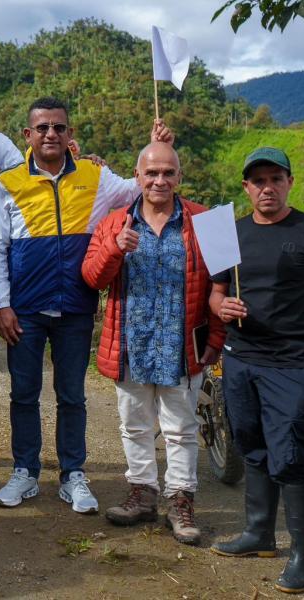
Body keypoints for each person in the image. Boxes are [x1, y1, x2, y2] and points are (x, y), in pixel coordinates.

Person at [0, 96, 171, 514]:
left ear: (70, 134)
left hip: (75, 307)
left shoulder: (96, 176)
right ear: (28, 135)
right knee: (23, 393)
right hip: (25, 310)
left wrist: (156, 146)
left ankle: (73, 474)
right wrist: (2, 305)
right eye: (43, 127)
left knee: (72, 395)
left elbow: (145, 186)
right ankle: (25, 472)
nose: (51, 134)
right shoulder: (6, 182)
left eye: (59, 127)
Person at [207, 148, 304, 594]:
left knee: (290, 456)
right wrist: (221, 306)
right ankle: (259, 534)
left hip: (290, 363)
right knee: (251, 444)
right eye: (257, 180)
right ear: (246, 187)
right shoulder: (227, 232)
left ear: (289, 182)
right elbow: (215, 292)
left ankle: (302, 555)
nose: (267, 187)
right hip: (241, 357)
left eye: (275, 179)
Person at [81, 141, 224, 544]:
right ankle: (142, 493)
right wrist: (114, 249)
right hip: (132, 343)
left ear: (179, 177)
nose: (159, 180)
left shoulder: (206, 221)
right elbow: (91, 277)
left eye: (168, 173)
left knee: (181, 428)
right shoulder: (114, 223)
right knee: (134, 424)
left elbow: (224, 284)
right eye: (151, 173)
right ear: (138, 176)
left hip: (182, 345)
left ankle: (181, 500)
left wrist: (215, 338)